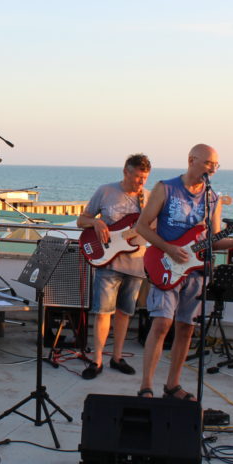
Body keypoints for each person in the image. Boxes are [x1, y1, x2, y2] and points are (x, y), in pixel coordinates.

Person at [134, 144, 233, 400]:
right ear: (191, 160)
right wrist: (169, 248)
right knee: (162, 323)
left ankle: (172, 385)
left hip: (196, 270)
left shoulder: (212, 198)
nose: (212, 169)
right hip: (165, 264)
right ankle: (146, 386)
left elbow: (213, 240)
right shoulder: (166, 188)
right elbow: (141, 226)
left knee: (186, 328)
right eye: (208, 163)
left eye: (215, 165)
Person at [76, 153, 152, 380]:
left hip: (136, 263)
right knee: (102, 312)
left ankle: (117, 357)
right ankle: (97, 360)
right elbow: (81, 220)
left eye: (145, 177)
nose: (141, 182)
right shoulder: (106, 191)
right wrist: (96, 222)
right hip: (108, 262)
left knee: (124, 313)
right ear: (125, 172)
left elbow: (155, 229)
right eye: (137, 177)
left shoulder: (149, 198)